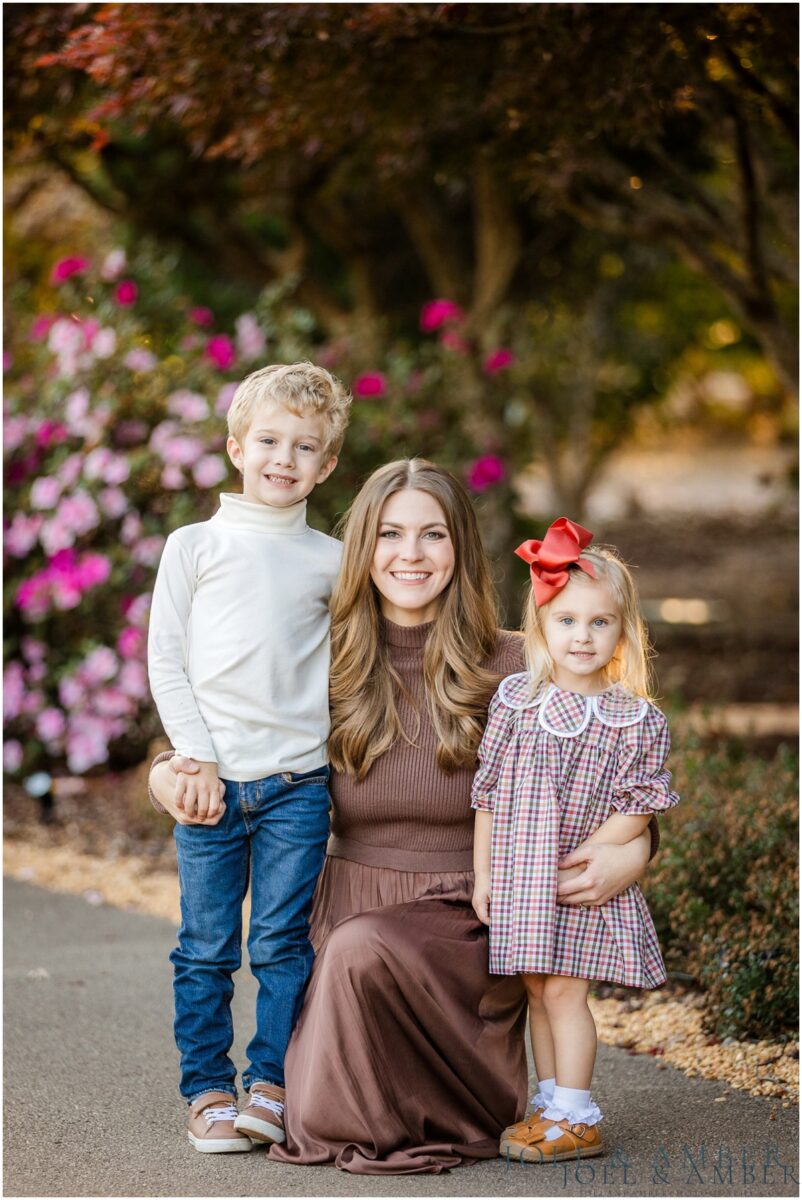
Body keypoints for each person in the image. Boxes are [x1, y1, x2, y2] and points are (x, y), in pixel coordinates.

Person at [151, 460, 658, 1175]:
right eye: (390, 534)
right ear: (362, 547)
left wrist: (634, 851)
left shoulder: (521, 664)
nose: (410, 554)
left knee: (360, 959)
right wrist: (165, 774)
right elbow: (225, 740)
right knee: (314, 1076)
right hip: (341, 918)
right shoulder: (317, 658)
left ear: (460, 548)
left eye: (432, 535)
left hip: (467, 924)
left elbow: (614, 769)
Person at [147, 362, 350, 1152]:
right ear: (236, 448)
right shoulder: (195, 546)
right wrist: (192, 758)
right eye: (268, 440)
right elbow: (166, 659)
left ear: (326, 464)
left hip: (298, 784)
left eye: (305, 447)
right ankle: (207, 1091)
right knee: (205, 947)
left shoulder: (331, 560)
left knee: (281, 944)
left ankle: (271, 1082)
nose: (284, 458)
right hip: (211, 785)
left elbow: (350, 667)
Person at [472, 517, 679, 1164]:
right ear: (541, 626)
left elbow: (639, 805)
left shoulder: (634, 718)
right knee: (537, 990)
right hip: (521, 880)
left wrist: (592, 855)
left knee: (564, 993)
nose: (582, 636)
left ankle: (578, 1115)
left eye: (599, 622)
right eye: (566, 620)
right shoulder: (516, 700)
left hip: (577, 883)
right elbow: (488, 793)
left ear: (623, 631)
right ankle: (550, 1105)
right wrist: (484, 875)